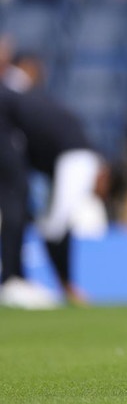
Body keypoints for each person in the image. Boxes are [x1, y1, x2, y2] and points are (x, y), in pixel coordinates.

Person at [0, 85, 105, 308]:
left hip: (68, 154)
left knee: (45, 218)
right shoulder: (83, 159)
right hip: (59, 154)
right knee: (40, 214)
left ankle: (26, 281)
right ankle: (17, 281)